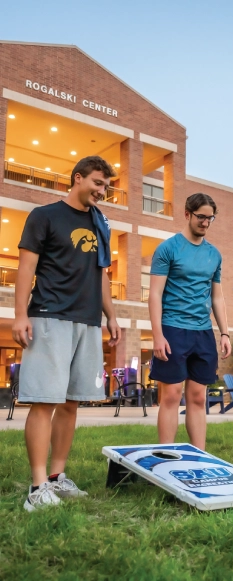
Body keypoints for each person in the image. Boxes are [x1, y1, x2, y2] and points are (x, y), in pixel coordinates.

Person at [13, 156, 122, 511]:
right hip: (49, 315)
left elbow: (102, 275)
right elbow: (25, 268)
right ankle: (37, 486)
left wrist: (112, 316)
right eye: (97, 183)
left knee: (72, 401)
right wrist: (19, 315)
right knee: (45, 399)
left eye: (105, 185)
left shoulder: (100, 223)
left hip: (88, 321)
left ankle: (57, 478)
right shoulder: (44, 216)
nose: (101, 190)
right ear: (77, 178)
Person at [148, 193, 231, 451]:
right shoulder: (168, 248)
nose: (205, 223)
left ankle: (200, 456)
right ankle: (166, 456)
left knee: (197, 397)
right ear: (187, 214)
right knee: (171, 396)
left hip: (203, 333)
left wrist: (225, 333)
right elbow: (154, 294)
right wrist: (157, 335)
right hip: (173, 328)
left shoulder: (214, 255)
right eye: (201, 217)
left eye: (210, 218)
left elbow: (217, 297)